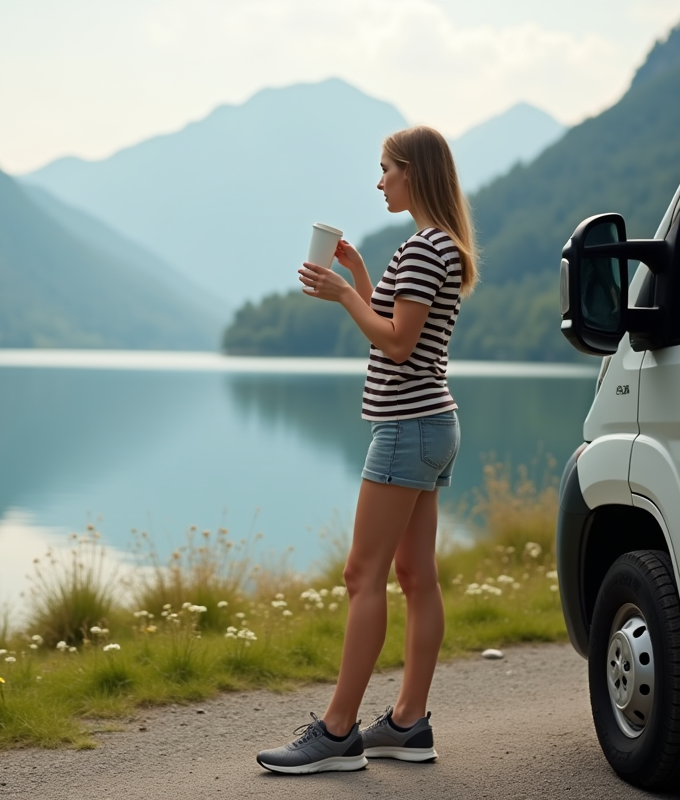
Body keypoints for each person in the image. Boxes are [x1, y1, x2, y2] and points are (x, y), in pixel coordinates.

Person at [256, 126, 479, 774]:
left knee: (363, 575)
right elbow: (400, 326)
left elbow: (398, 343)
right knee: (416, 576)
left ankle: (336, 732)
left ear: (415, 173)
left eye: (387, 169)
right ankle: (409, 723)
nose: (379, 182)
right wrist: (356, 273)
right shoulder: (438, 246)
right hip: (432, 424)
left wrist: (345, 293)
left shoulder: (424, 249)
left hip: (408, 428)